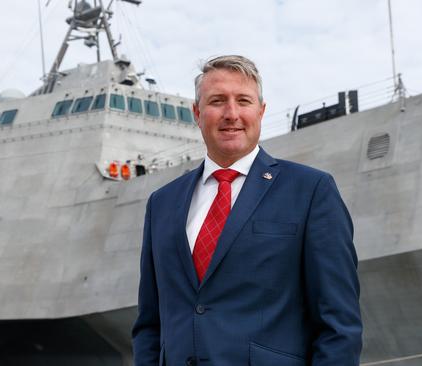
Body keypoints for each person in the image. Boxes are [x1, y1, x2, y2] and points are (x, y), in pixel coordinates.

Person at [132, 55, 362, 366]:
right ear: (197, 113)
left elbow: (339, 324)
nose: (231, 113)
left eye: (243, 101)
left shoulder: (310, 191)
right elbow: (150, 322)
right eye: (217, 101)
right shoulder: (162, 203)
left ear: (261, 111)